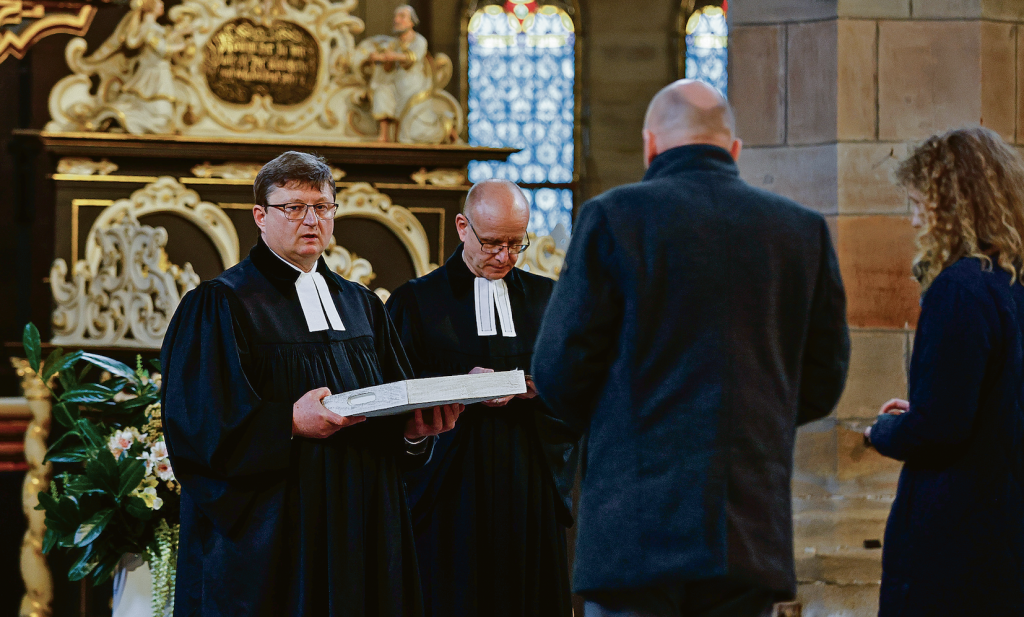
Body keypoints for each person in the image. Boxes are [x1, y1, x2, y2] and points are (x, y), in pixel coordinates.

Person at [531, 79, 851, 617]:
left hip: (633, 530)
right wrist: (754, 419)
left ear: (649, 144)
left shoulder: (615, 218)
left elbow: (559, 371)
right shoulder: (801, 231)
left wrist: (618, 424)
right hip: (745, 529)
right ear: (734, 150)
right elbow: (823, 378)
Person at [160, 151, 464, 616]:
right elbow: (197, 429)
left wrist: (412, 432)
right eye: (293, 207)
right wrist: (288, 422)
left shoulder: (362, 305)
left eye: (321, 206)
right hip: (278, 543)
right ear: (260, 216)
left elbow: (389, 409)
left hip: (360, 532)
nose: (310, 219)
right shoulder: (221, 304)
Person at [385, 179, 577, 617]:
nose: (504, 256)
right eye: (491, 243)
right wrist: (458, 386)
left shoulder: (549, 301)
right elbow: (392, 400)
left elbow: (578, 393)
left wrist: (538, 388)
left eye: (515, 243)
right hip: (449, 494)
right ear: (461, 227)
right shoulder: (416, 303)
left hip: (529, 491)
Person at [864, 127, 1024, 617]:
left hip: (960, 536)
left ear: (953, 206)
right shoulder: (1010, 282)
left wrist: (885, 431)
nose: (914, 221)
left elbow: (941, 430)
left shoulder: (959, 289)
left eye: (919, 204)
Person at [367, 5, 431, 142]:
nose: (396, 20)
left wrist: (393, 56)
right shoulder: (394, 43)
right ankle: (383, 135)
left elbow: (413, 57)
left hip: (412, 85)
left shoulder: (419, 41)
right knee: (381, 91)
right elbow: (385, 59)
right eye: (396, 17)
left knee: (408, 125)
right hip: (396, 83)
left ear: (412, 22)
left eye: (402, 16)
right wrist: (378, 58)